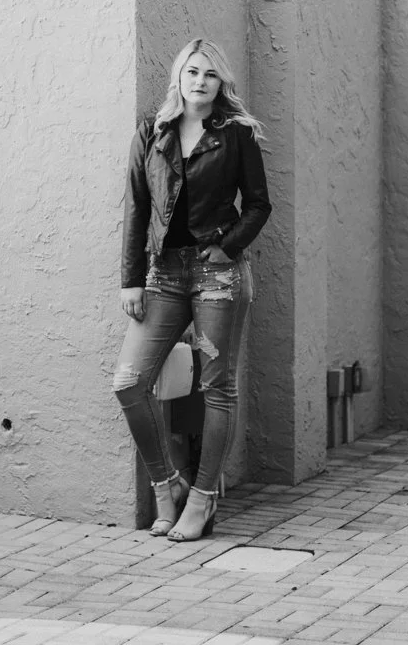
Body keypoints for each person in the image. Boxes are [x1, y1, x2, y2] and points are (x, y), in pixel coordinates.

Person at [113, 37, 271, 542]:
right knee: (129, 383)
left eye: (209, 74)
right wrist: (131, 278)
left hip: (216, 274)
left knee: (217, 388)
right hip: (162, 275)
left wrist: (228, 246)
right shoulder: (152, 132)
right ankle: (168, 487)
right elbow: (136, 207)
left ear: (221, 82)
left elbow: (259, 204)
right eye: (191, 72)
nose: (199, 81)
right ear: (177, 77)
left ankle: (202, 501)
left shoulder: (236, 134)